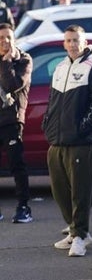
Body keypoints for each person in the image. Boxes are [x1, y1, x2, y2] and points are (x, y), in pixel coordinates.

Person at [45, 25, 92, 257]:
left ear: (84, 41)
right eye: (69, 40)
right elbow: (52, 102)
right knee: (60, 191)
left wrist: (82, 128)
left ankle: (81, 235)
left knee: (80, 192)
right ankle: (75, 230)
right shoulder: (60, 67)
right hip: (58, 140)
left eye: (76, 40)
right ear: (64, 43)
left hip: (82, 141)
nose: (72, 44)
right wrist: (47, 126)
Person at [0, 24, 33, 223]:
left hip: (11, 120)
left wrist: (6, 62)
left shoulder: (23, 60)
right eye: (1, 37)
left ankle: (23, 207)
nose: (5, 41)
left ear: (14, 39)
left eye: (8, 38)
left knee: (16, 164)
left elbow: (12, 85)